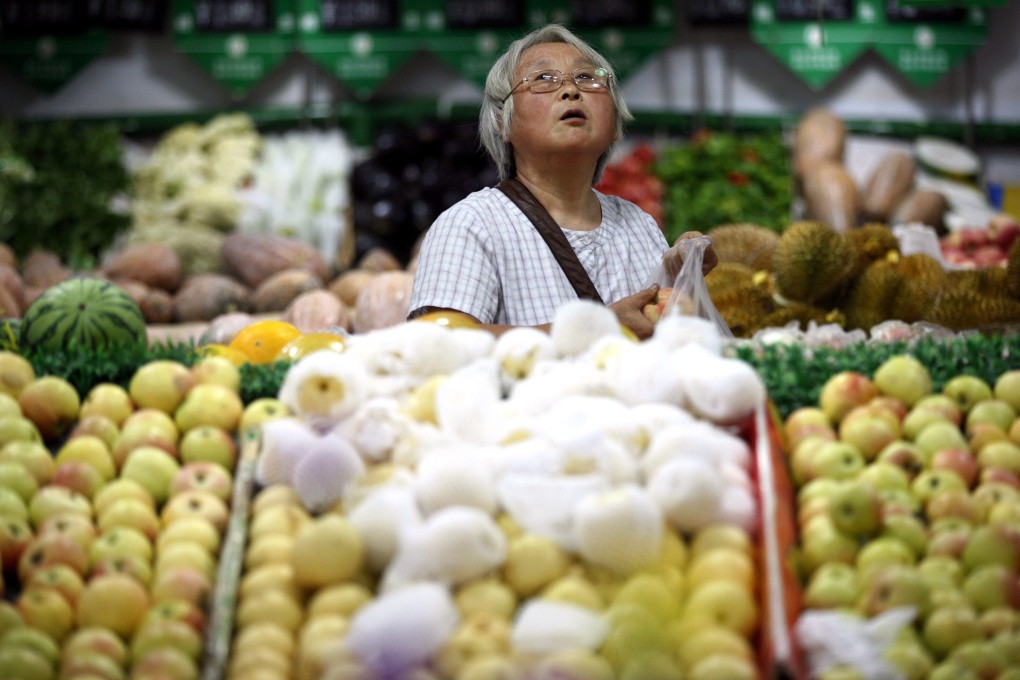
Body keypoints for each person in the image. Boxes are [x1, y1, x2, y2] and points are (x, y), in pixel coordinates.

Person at [408, 23, 717, 338]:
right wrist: (600, 329)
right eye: (543, 79)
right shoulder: (472, 225)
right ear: (504, 123)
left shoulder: (639, 225)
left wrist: (682, 278)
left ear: (613, 124)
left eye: (587, 77)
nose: (571, 90)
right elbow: (437, 344)